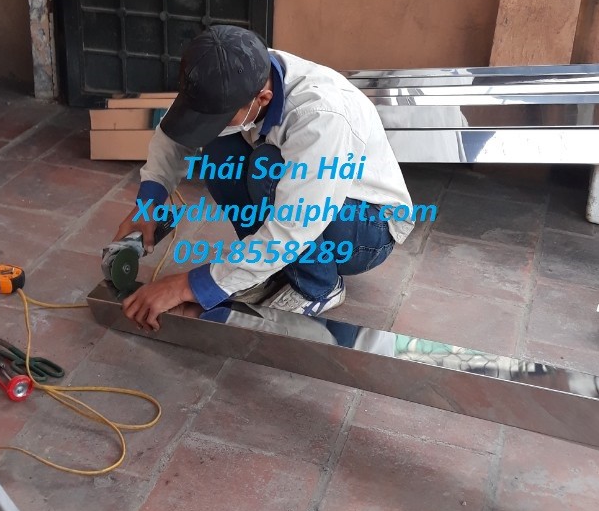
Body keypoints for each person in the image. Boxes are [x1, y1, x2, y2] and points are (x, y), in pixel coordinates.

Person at [113, 25, 416, 330]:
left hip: (367, 228)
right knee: (219, 150)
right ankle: (271, 271)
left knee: (267, 168)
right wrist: (148, 203)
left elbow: (295, 225)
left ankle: (319, 286)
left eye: (221, 116)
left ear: (263, 98)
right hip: (317, 202)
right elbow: (175, 133)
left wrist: (190, 285)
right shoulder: (227, 74)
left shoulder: (321, 117)